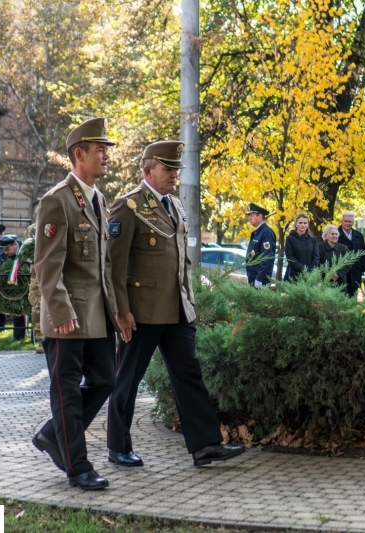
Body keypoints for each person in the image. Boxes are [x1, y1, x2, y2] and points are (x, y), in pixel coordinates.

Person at [107, 140, 245, 469]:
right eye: (168, 169)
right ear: (147, 170)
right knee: (127, 378)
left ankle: (205, 445)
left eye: (176, 170)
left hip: (177, 309)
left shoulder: (175, 205)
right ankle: (118, 446)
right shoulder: (128, 207)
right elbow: (113, 265)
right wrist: (120, 311)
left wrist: (189, 301)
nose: (174, 175)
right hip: (141, 312)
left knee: (189, 375)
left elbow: (181, 262)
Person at [31, 117, 120, 491]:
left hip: (97, 314)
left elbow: (103, 265)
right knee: (66, 389)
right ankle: (78, 466)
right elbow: (47, 264)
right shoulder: (57, 200)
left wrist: (118, 312)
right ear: (78, 154)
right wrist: (61, 311)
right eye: (99, 150)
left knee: (106, 380)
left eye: (106, 149)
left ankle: (54, 435)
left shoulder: (99, 199)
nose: (105, 156)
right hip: (67, 315)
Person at [0, 234, 27, 341]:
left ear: (14, 245)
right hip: (13, 285)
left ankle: (33, 334)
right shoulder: (4, 255)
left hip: (26, 283)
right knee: (16, 307)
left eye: (7, 249)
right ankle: (18, 335)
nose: (5, 252)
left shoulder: (25, 251)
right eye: (4, 250)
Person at [23, 223, 44, 353]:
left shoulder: (64, 223)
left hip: (60, 271)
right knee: (38, 305)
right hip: (38, 274)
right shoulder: (33, 229)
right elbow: (26, 252)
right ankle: (42, 340)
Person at [246, 203, 276, 287]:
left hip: (260, 278)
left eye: (252, 215)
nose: (249, 218)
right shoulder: (258, 232)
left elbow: (266, 258)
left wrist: (259, 278)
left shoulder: (266, 233)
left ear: (259, 216)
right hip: (253, 276)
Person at [337, 212, 365, 296]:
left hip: (355, 273)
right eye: (345, 221)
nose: (347, 223)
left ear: (353, 223)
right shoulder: (335, 235)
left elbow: (363, 253)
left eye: (349, 221)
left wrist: (363, 269)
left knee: (353, 299)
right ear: (341, 221)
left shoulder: (359, 236)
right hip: (340, 274)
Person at [283, 214, 319, 281]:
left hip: (309, 276)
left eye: (305, 223)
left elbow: (316, 257)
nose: (303, 225)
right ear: (296, 224)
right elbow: (290, 258)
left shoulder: (313, 238)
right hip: (293, 275)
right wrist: (304, 269)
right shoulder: (290, 238)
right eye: (300, 223)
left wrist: (309, 270)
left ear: (308, 225)